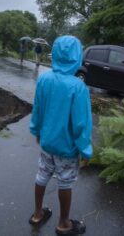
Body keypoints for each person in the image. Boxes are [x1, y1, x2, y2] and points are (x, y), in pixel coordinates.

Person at [29, 36, 92, 235]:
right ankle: (64, 223)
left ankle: (38, 213)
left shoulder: (44, 79)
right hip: (67, 147)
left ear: (55, 53)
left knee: (42, 175)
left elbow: (38, 109)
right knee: (65, 181)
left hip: (47, 143)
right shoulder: (78, 86)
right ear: (76, 56)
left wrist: (37, 131)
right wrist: (85, 149)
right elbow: (81, 123)